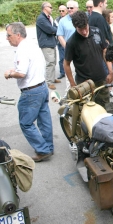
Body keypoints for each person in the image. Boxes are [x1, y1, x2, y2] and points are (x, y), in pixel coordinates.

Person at [4, 22, 54, 162]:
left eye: (9, 35)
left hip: (31, 91)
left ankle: (43, 149)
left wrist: (9, 73)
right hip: (41, 86)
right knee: (44, 120)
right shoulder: (31, 45)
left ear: (17, 35)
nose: (7, 38)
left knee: (26, 123)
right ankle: (48, 147)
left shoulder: (22, 49)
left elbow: (21, 73)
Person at [64, 11, 113, 108]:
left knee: (105, 108)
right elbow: (66, 64)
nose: (84, 32)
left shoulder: (97, 31)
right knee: (86, 111)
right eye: (80, 29)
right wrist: (72, 83)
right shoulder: (71, 42)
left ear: (88, 23)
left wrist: (110, 71)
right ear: (75, 27)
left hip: (101, 80)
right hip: (84, 83)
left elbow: (105, 52)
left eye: (85, 28)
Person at [36, 2, 60, 90]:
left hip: (52, 42)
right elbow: (50, 29)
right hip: (46, 44)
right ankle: (49, 82)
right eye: (50, 7)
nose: (52, 9)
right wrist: (58, 31)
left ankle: (52, 78)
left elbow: (54, 27)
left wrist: (56, 30)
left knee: (53, 61)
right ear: (45, 8)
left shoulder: (49, 17)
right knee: (50, 62)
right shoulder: (41, 19)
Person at [57, 0, 79, 96]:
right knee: (69, 72)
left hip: (82, 50)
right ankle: (69, 94)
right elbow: (60, 35)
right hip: (69, 51)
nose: (69, 10)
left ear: (77, 8)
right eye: (68, 8)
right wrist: (67, 46)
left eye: (71, 8)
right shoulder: (63, 21)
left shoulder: (82, 18)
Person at [54, 5, 68, 79]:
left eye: (63, 11)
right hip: (60, 43)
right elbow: (56, 30)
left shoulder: (70, 19)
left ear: (66, 11)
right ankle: (62, 72)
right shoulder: (57, 20)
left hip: (69, 41)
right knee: (62, 58)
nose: (61, 12)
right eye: (60, 11)